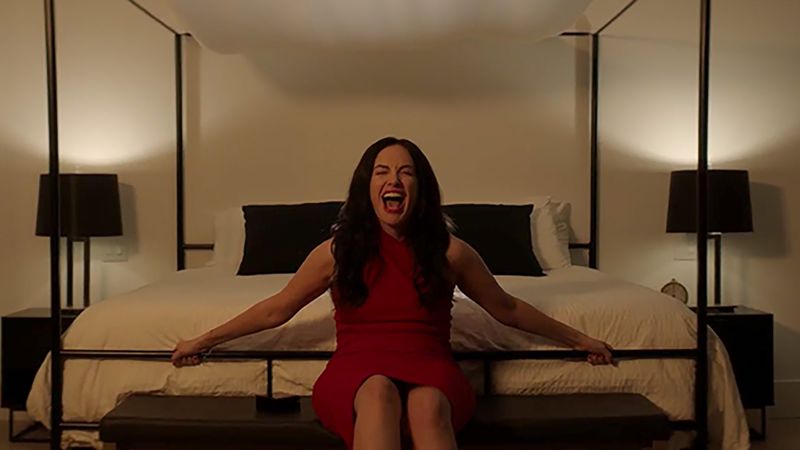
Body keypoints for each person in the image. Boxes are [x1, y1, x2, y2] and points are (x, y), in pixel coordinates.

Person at [171, 137, 615, 450]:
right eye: (382, 172)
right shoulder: (337, 251)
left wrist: (581, 340)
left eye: (406, 173)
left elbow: (508, 308)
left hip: (431, 367)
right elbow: (276, 309)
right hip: (357, 370)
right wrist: (202, 341)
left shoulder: (451, 251)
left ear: (420, 188)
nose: (394, 181)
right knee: (378, 391)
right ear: (368, 187)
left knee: (426, 403)